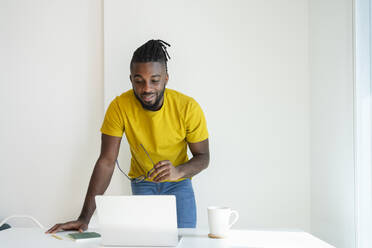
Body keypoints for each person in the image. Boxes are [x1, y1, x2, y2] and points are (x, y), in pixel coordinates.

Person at [46, 39, 210, 233]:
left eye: (154, 80)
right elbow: (106, 161)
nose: (147, 88)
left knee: (185, 240)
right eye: (139, 80)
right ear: (131, 79)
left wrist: (178, 172)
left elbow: (203, 157)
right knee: (146, 242)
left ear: (166, 78)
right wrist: (84, 218)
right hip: (143, 184)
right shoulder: (119, 106)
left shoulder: (188, 107)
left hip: (179, 184)